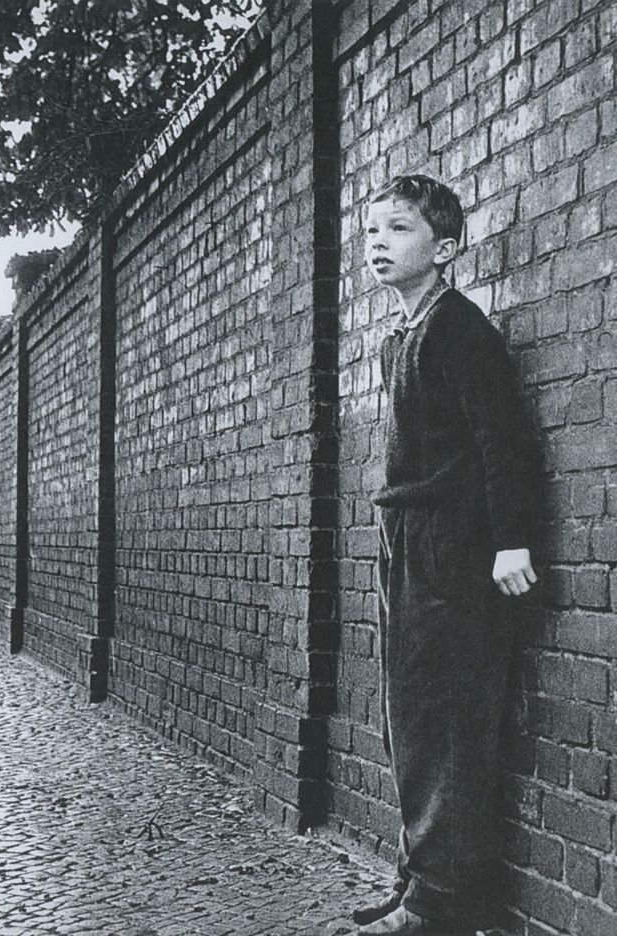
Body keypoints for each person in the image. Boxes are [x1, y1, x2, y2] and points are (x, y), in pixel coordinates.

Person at [356, 175, 540, 936]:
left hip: (454, 551)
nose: (377, 244)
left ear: (445, 249)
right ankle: (417, 882)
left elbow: (504, 441)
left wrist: (511, 540)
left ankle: (441, 903)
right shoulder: (405, 331)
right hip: (408, 545)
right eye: (372, 232)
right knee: (412, 722)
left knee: (448, 722)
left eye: (397, 230)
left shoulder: (460, 329)